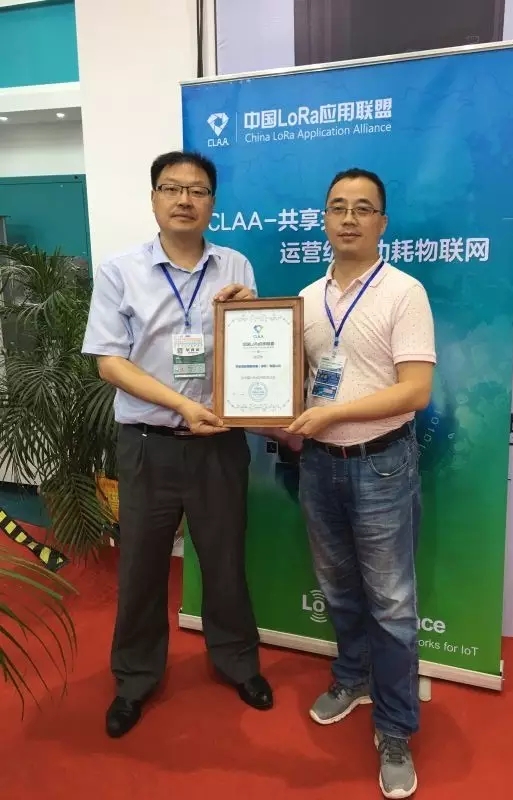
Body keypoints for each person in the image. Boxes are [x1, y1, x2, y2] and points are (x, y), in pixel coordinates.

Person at [82, 151, 273, 739]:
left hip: (219, 443)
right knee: (141, 566)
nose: (184, 199)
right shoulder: (120, 271)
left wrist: (251, 316)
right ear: (154, 199)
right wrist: (181, 404)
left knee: (224, 560)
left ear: (213, 202)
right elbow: (109, 363)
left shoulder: (235, 264)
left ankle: (237, 661)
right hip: (147, 443)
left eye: (197, 190)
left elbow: (255, 347)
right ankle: (134, 678)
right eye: (171, 188)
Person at [287, 168, 436, 799]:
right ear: (323, 219)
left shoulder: (404, 292)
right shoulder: (304, 298)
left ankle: (396, 727)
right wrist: (241, 322)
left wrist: (334, 413)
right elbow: (291, 380)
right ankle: (352, 676)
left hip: (381, 463)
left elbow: (416, 390)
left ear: (382, 223)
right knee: (339, 589)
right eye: (337, 207)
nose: (348, 218)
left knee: (393, 605)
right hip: (318, 465)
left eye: (363, 208)